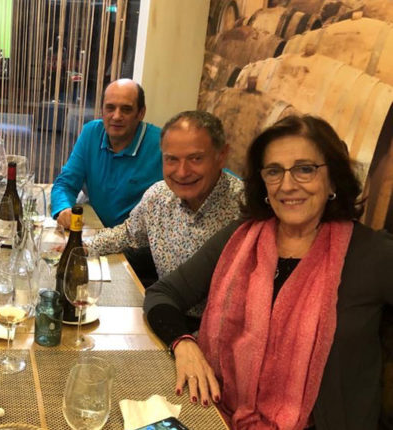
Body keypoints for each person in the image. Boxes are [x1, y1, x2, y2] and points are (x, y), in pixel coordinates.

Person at [144, 115, 393, 429]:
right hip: (220, 415)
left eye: (305, 169)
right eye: (274, 171)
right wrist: (184, 345)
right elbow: (162, 294)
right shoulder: (240, 238)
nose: (287, 185)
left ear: (332, 179)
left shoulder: (373, 254)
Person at [86, 111, 242, 300]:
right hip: (164, 308)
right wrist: (82, 246)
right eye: (172, 159)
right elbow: (128, 233)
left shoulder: (247, 209)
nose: (182, 172)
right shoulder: (157, 196)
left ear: (221, 156)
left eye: (196, 159)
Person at [50, 78, 163, 229]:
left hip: (135, 239)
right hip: (94, 230)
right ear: (101, 110)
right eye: (110, 108)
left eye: (126, 109)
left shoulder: (162, 145)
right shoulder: (91, 133)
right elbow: (65, 184)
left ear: (141, 113)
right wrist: (64, 209)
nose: (116, 116)